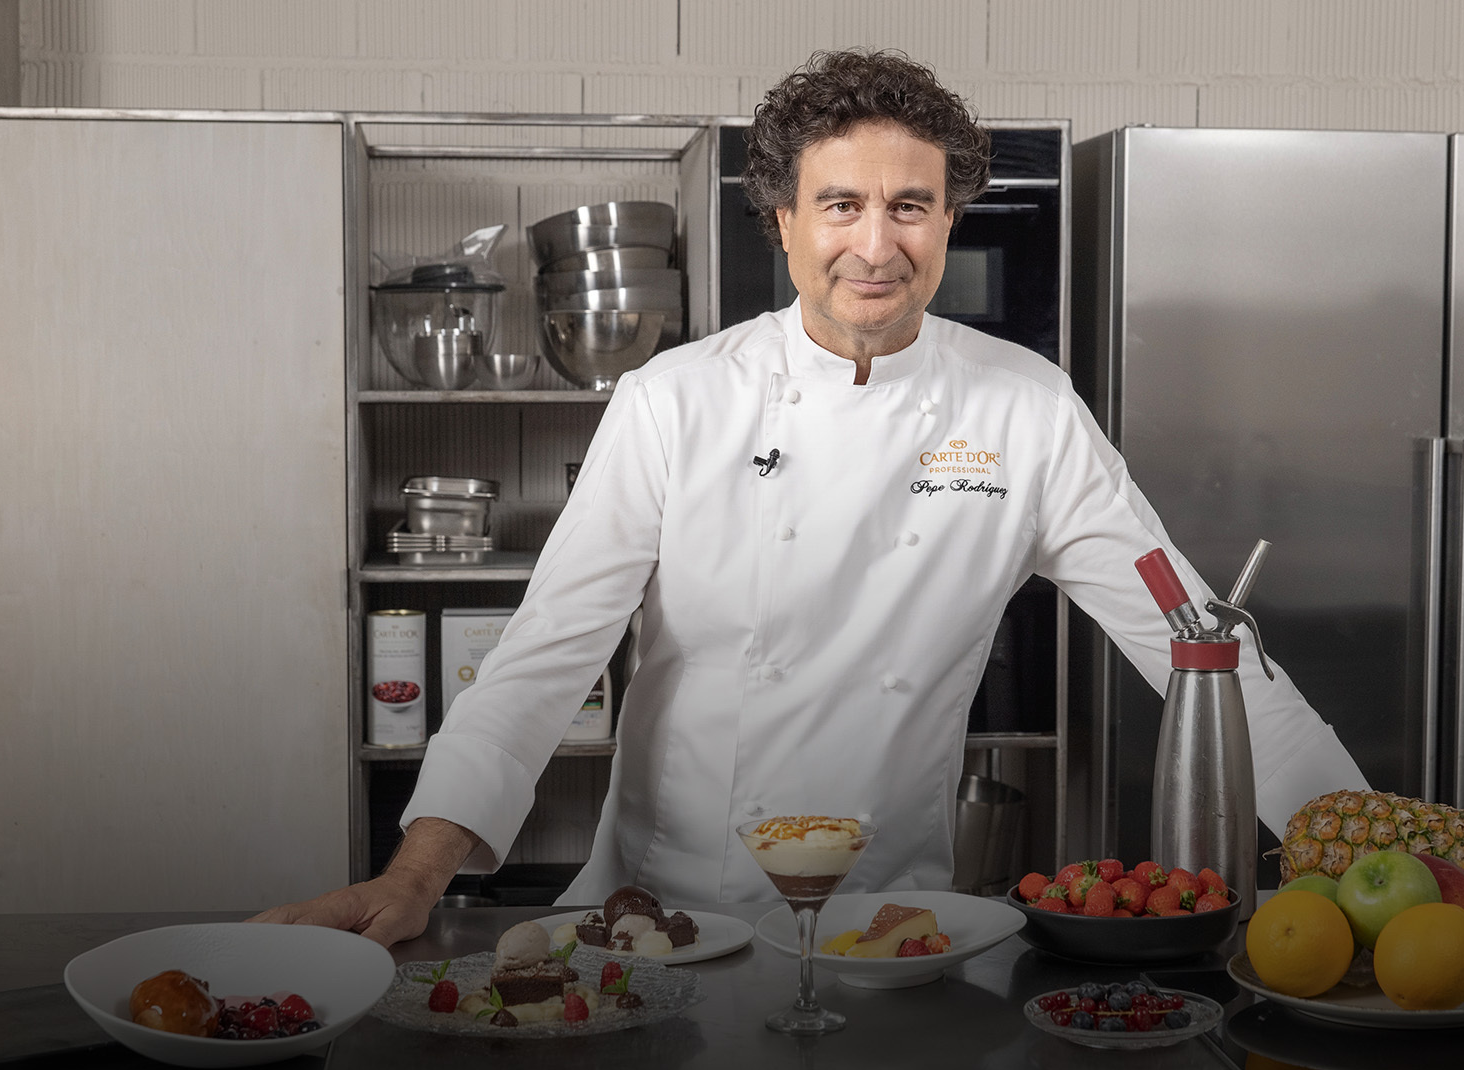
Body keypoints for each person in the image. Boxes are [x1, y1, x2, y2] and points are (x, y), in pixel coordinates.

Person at [253, 48, 1366, 946]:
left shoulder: (1028, 409)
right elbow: (546, 656)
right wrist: (416, 876)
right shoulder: (674, 400)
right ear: (783, 220)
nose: (876, 246)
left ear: (950, 219)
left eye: (911, 206)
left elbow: (1196, 641)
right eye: (841, 205)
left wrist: (1365, 853)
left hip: (898, 920)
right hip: (666, 910)